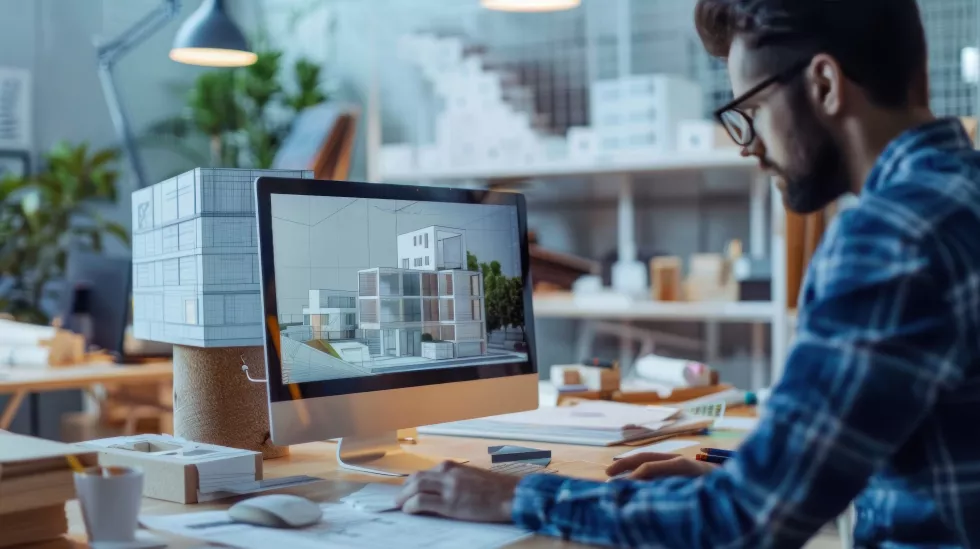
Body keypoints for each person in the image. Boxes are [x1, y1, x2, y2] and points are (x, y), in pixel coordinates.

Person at [395, 0, 980, 546]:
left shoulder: (891, 236)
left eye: (749, 111)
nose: (748, 148)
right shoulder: (958, 194)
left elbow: (748, 521)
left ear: (824, 85)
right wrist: (735, 479)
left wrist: (525, 495)